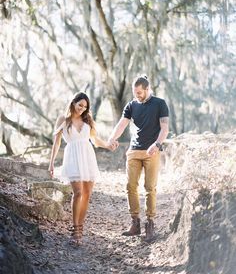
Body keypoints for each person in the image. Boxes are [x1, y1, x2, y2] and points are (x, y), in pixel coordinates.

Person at [48, 92, 116, 245]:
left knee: (87, 194)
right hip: (72, 157)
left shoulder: (88, 119)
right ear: (73, 103)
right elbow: (57, 142)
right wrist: (51, 163)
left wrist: (108, 145)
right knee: (78, 193)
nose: (82, 109)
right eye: (80, 105)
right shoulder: (63, 119)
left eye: (85, 107)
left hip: (88, 157)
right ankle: (74, 228)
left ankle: (80, 228)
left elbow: (96, 141)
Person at [108, 75, 169, 242]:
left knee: (150, 188)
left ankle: (150, 223)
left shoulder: (160, 103)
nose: (137, 96)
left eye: (140, 92)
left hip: (152, 152)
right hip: (134, 151)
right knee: (131, 187)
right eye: (135, 93)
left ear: (147, 89)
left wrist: (157, 144)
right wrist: (112, 138)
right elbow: (122, 123)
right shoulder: (131, 105)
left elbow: (165, 128)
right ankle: (135, 223)